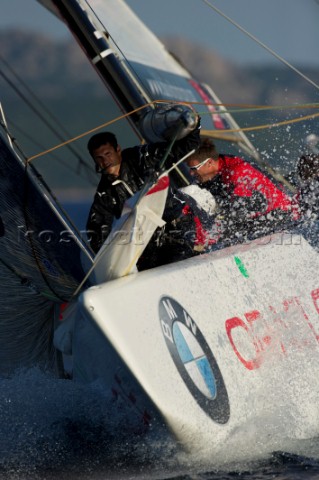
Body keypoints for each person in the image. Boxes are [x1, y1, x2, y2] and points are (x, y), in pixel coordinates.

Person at [86, 115, 201, 257]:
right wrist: (105, 256)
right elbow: (96, 228)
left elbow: (186, 147)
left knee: (178, 256)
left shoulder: (143, 157)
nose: (105, 160)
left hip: (178, 222)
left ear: (118, 149)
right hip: (147, 238)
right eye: (99, 158)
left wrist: (194, 123)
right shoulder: (105, 193)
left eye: (108, 154)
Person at [185, 139, 295, 245]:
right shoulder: (217, 167)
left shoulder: (237, 172)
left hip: (281, 216)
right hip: (261, 215)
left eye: (194, 168)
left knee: (224, 231)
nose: (191, 173)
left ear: (209, 163)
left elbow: (240, 211)